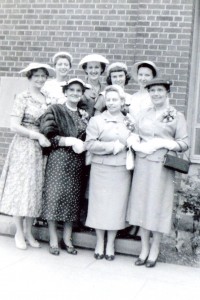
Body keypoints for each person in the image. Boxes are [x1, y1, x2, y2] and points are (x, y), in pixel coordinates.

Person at [126, 78, 189, 267]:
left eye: (160, 90)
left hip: (162, 166)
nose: (156, 94)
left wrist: (165, 143)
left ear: (167, 92)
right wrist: (136, 143)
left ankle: (155, 249)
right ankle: (144, 248)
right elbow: (134, 133)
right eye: (152, 91)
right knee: (142, 204)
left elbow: (185, 143)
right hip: (143, 163)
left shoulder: (176, 115)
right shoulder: (143, 113)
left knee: (157, 206)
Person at [0, 62, 55, 250]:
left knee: (35, 188)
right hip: (24, 147)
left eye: (43, 76)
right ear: (29, 77)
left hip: (41, 149)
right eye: (37, 76)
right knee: (22, 187)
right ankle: (19, 232)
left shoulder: (49, 98)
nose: (40, 79)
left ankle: (29, 232)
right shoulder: (23, 97)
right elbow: (14, 125)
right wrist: (36, 135)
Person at [39, 78, 89, 256]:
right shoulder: (55, 109)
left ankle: (67, 238)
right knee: (55, 196)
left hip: (77, 163)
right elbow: (48, 135)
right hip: (59, 159)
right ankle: (53, 238)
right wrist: (67, 141)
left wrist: (82, 144)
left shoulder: (84, 115)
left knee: (72, 199)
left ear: (82, 94)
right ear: (65, 92)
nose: (75, 93)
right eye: (72, 90)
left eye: (78, 91)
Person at [85, 85, 133, 261]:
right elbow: (89, 144)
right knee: (100, 206)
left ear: (122, 101)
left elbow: (134, 141)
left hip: (121, 169)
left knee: (116, 207)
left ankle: (111, 243)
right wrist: (111, 147)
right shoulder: (96, 120)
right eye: (109, 100)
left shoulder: (129, 121)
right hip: (101, 168)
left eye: (116, 100)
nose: (112, 103)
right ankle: (99, 242)